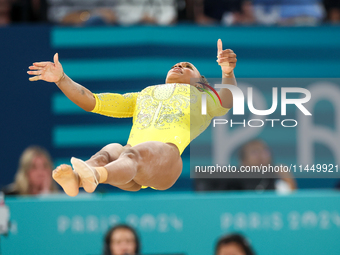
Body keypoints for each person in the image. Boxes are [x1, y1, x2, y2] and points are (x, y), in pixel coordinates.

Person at [27, 39, 237, 196]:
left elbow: (227, 101)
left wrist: (227, 73)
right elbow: (92, 101)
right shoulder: (144, 95)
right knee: (111, 149)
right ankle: (77, 178)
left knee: (132, 153)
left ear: (200, 81)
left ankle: (95, 176)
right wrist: (61, 79)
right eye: (177, 64)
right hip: (129, 169)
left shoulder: (202, 96)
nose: (179, 65)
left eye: (188, 66)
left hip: (165, 161)